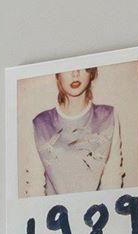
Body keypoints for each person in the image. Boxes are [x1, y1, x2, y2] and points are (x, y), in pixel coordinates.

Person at [29, 65, 125, 195]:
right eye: (68, 67)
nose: (75, 73)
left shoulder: (108, 117)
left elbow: (112, 181)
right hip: (56, 214)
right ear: (57, 74)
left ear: (91, 72)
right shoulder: (41, 124)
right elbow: (35, 188)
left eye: (82, 66)